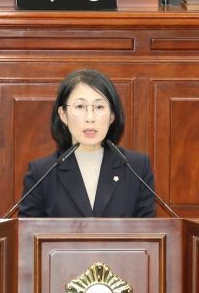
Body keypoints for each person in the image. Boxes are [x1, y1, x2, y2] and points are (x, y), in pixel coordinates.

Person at [19, 69, 156, 218]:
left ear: (112, 116)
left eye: (99, 107)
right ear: (63, 115)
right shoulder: (42, 173)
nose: (90, 118)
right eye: (80, 107)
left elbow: (149, 234)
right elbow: (27, 236)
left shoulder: (136, 168)